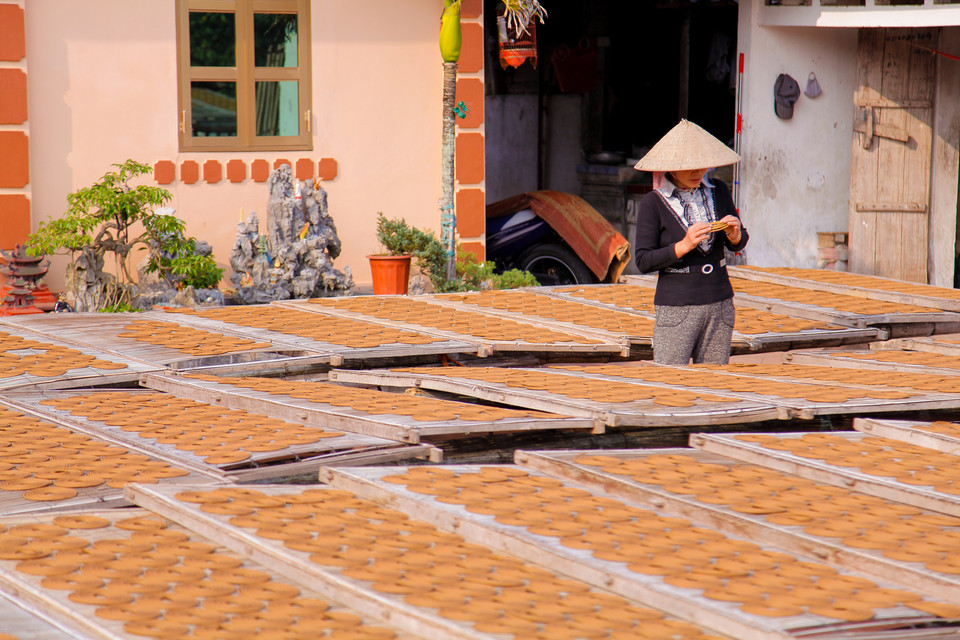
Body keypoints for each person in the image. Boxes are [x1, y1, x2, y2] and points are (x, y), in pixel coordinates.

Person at [632, 119, 747, 365]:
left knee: (714, 385)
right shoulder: (653, 203)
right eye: (690, 167)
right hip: (677, 305)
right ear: (672, 169)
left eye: (701, 166)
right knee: (671, 384)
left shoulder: (719, 190)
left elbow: (739, 239)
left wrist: (735, 236)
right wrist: (682, 246)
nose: (698, 173)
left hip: (719, 301)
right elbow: (642, 260)